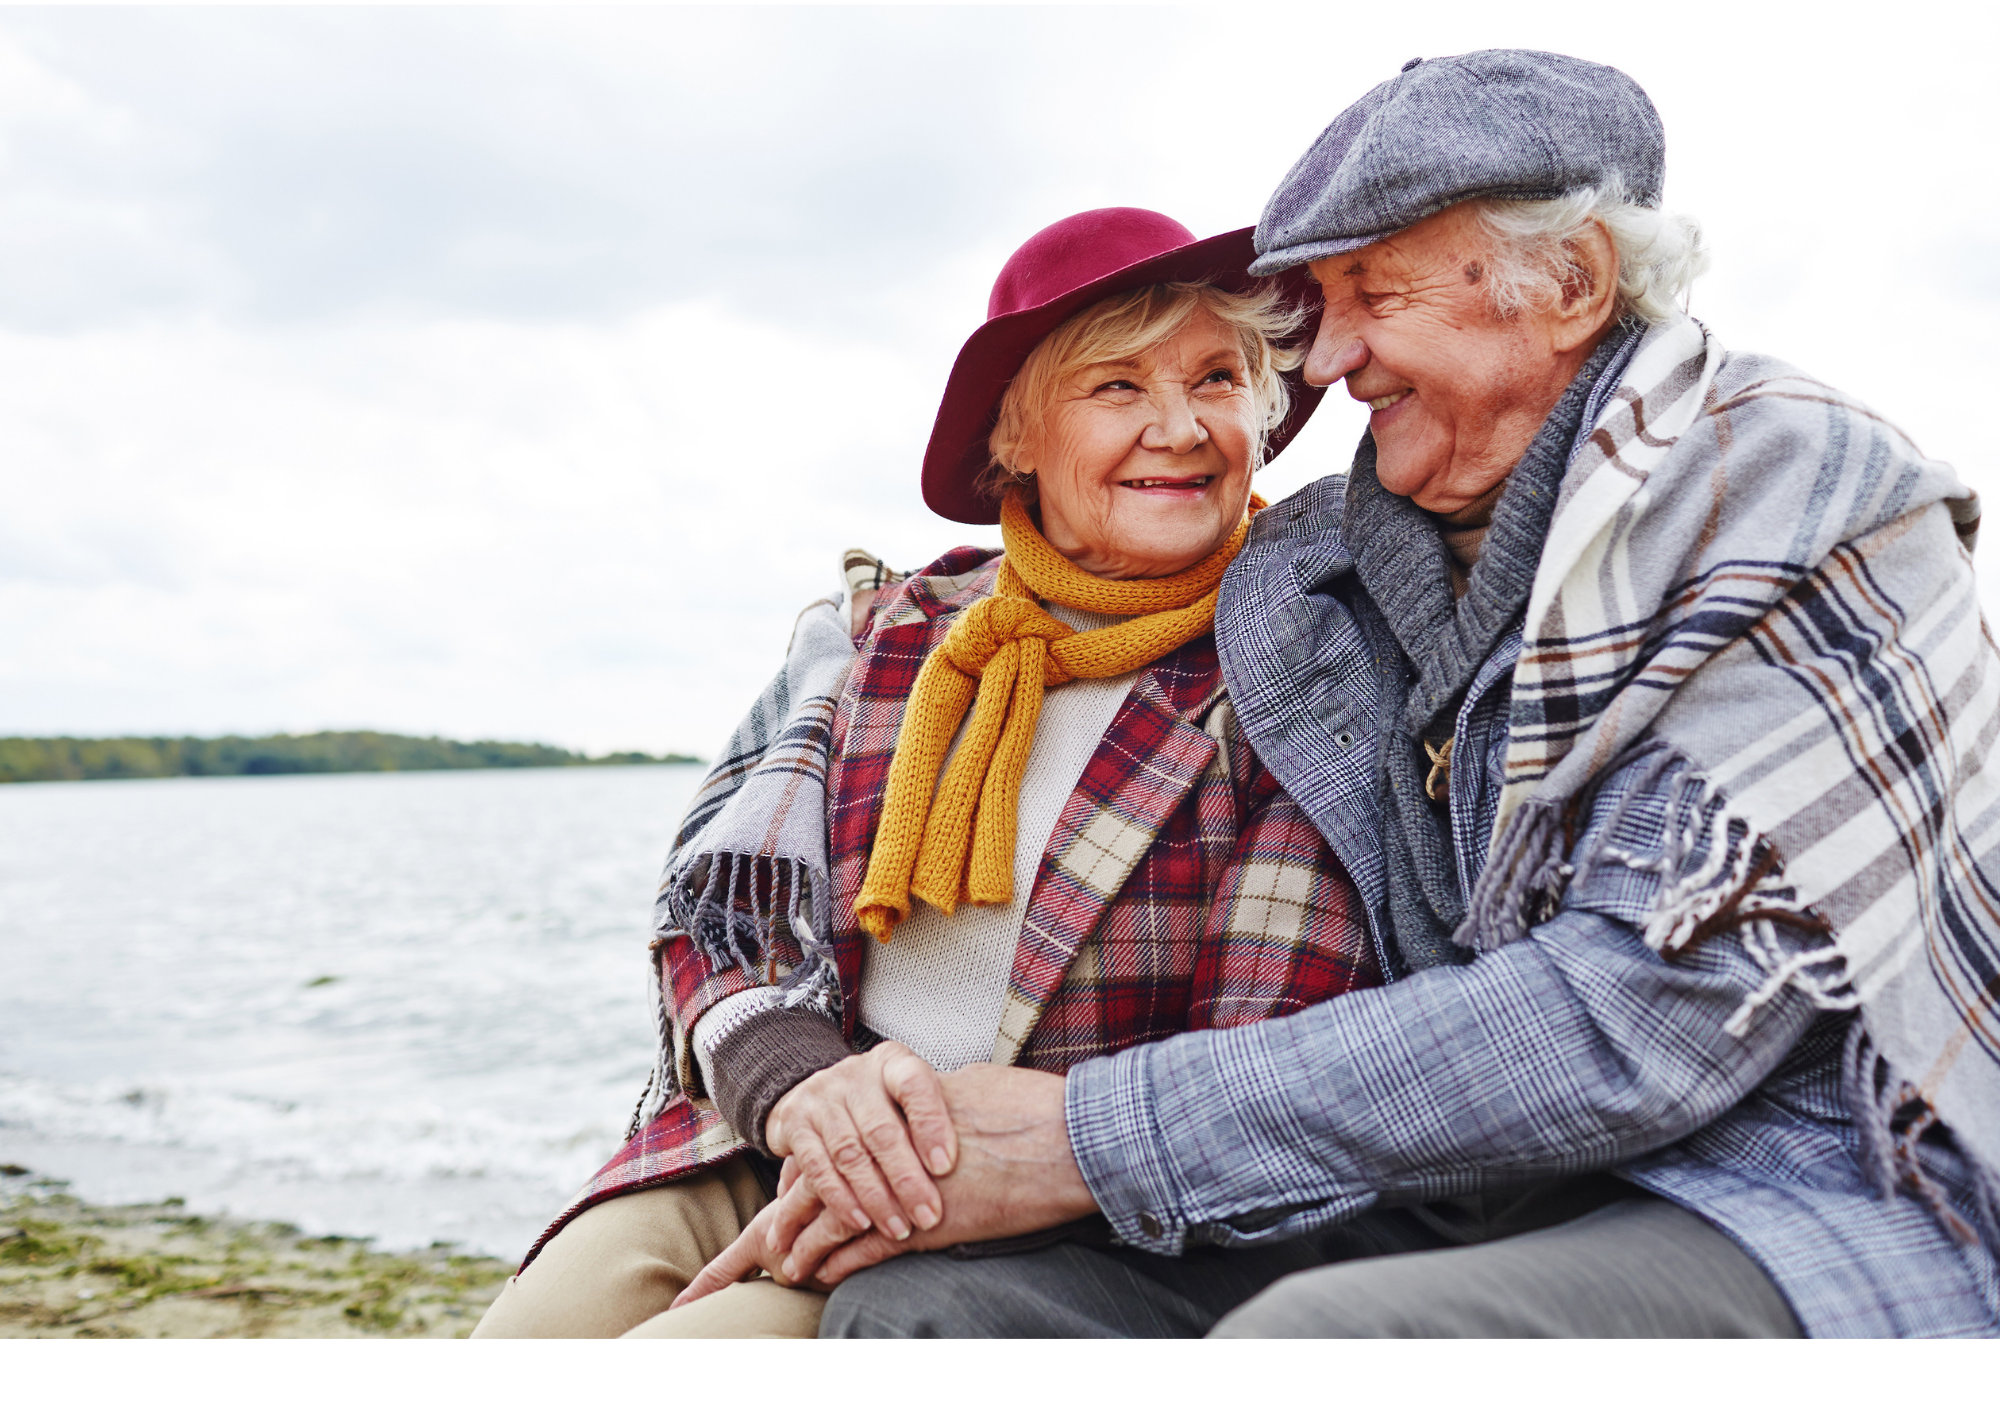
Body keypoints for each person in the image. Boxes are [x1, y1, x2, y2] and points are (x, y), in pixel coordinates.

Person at [702, 50, 1999, 1340]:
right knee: (934, 1310)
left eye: (1368, 292)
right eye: (1314, 306)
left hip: (1817, 1176)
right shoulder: (1395, 540)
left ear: (1573, 284)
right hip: (1498, 1183)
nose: (1321, 361)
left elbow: (1635, 1020)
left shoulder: (1795, 496)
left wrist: (1083, 1138)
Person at [471, 207, 1386, 1338]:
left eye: (1215, 378)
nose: (1179, 428)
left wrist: (929, 1159)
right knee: (537, 1320)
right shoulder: (888, 628)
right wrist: (800, 1086)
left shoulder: (1298, 662)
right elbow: (714, 910)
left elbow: (1259, 1050)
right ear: (1018, 439)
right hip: (794, 1125)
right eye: (1113, 388)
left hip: (1053, 1200)